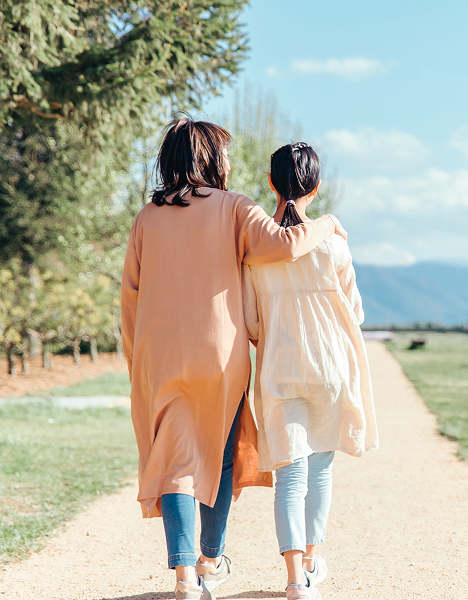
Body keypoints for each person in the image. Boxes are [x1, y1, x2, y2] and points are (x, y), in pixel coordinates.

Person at [120, 119, 349, 600]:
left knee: (175, 462)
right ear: (213, 159)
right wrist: (327, 223)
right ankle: (209, 556)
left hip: (158, 356)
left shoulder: (146, 217)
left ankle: (186, 578)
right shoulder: (235, 208)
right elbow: (286, 245)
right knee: (221, 458)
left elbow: (131, 299)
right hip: (220, 355)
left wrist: (135, 362)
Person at [243, 142, 378, 600]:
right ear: (316, 188)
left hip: (280, 366)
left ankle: (293, 578)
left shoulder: (256, 251)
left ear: (270, 183)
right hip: (330, 367)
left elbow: (251, 321)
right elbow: (354, 312)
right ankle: (313, 562)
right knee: (320, 470)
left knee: (289, 475)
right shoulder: (334, 245)